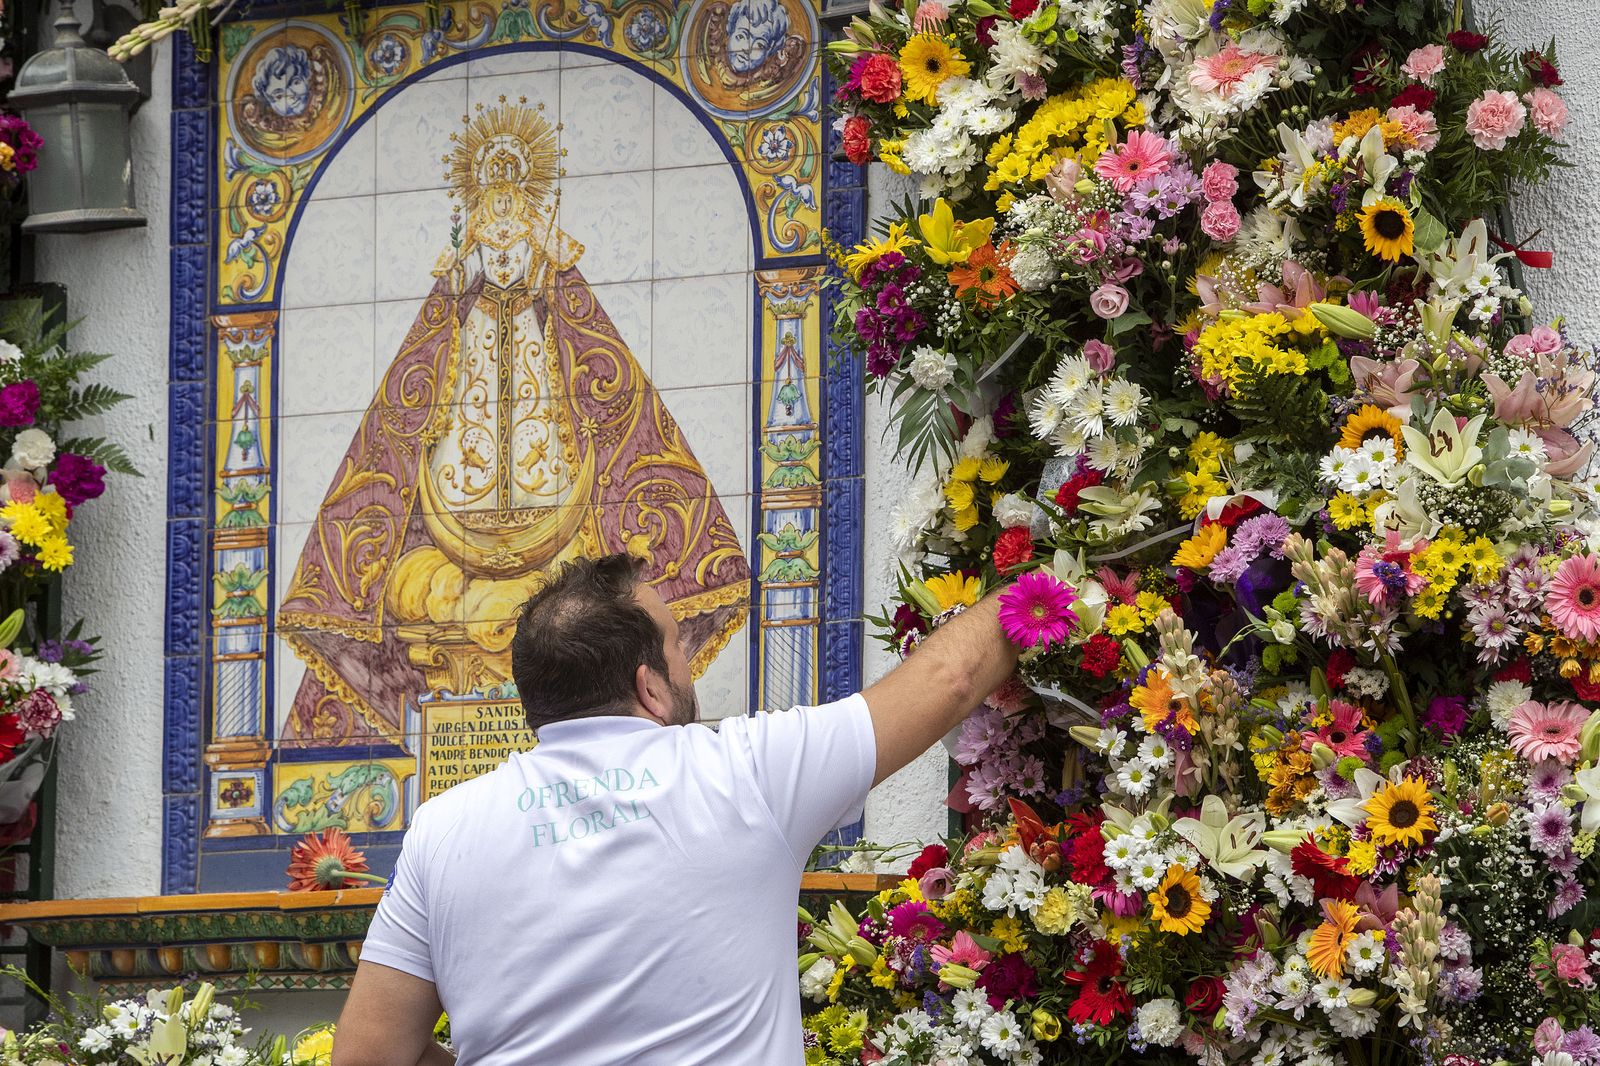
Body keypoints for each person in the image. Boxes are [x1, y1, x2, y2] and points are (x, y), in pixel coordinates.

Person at [331, 552, 1018, 1066]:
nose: (690, 666)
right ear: (649, 688)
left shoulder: (442, 830)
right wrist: (1054, 573)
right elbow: (951, 678)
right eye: (679, 647)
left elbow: (367, 1056)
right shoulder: (747, 771)